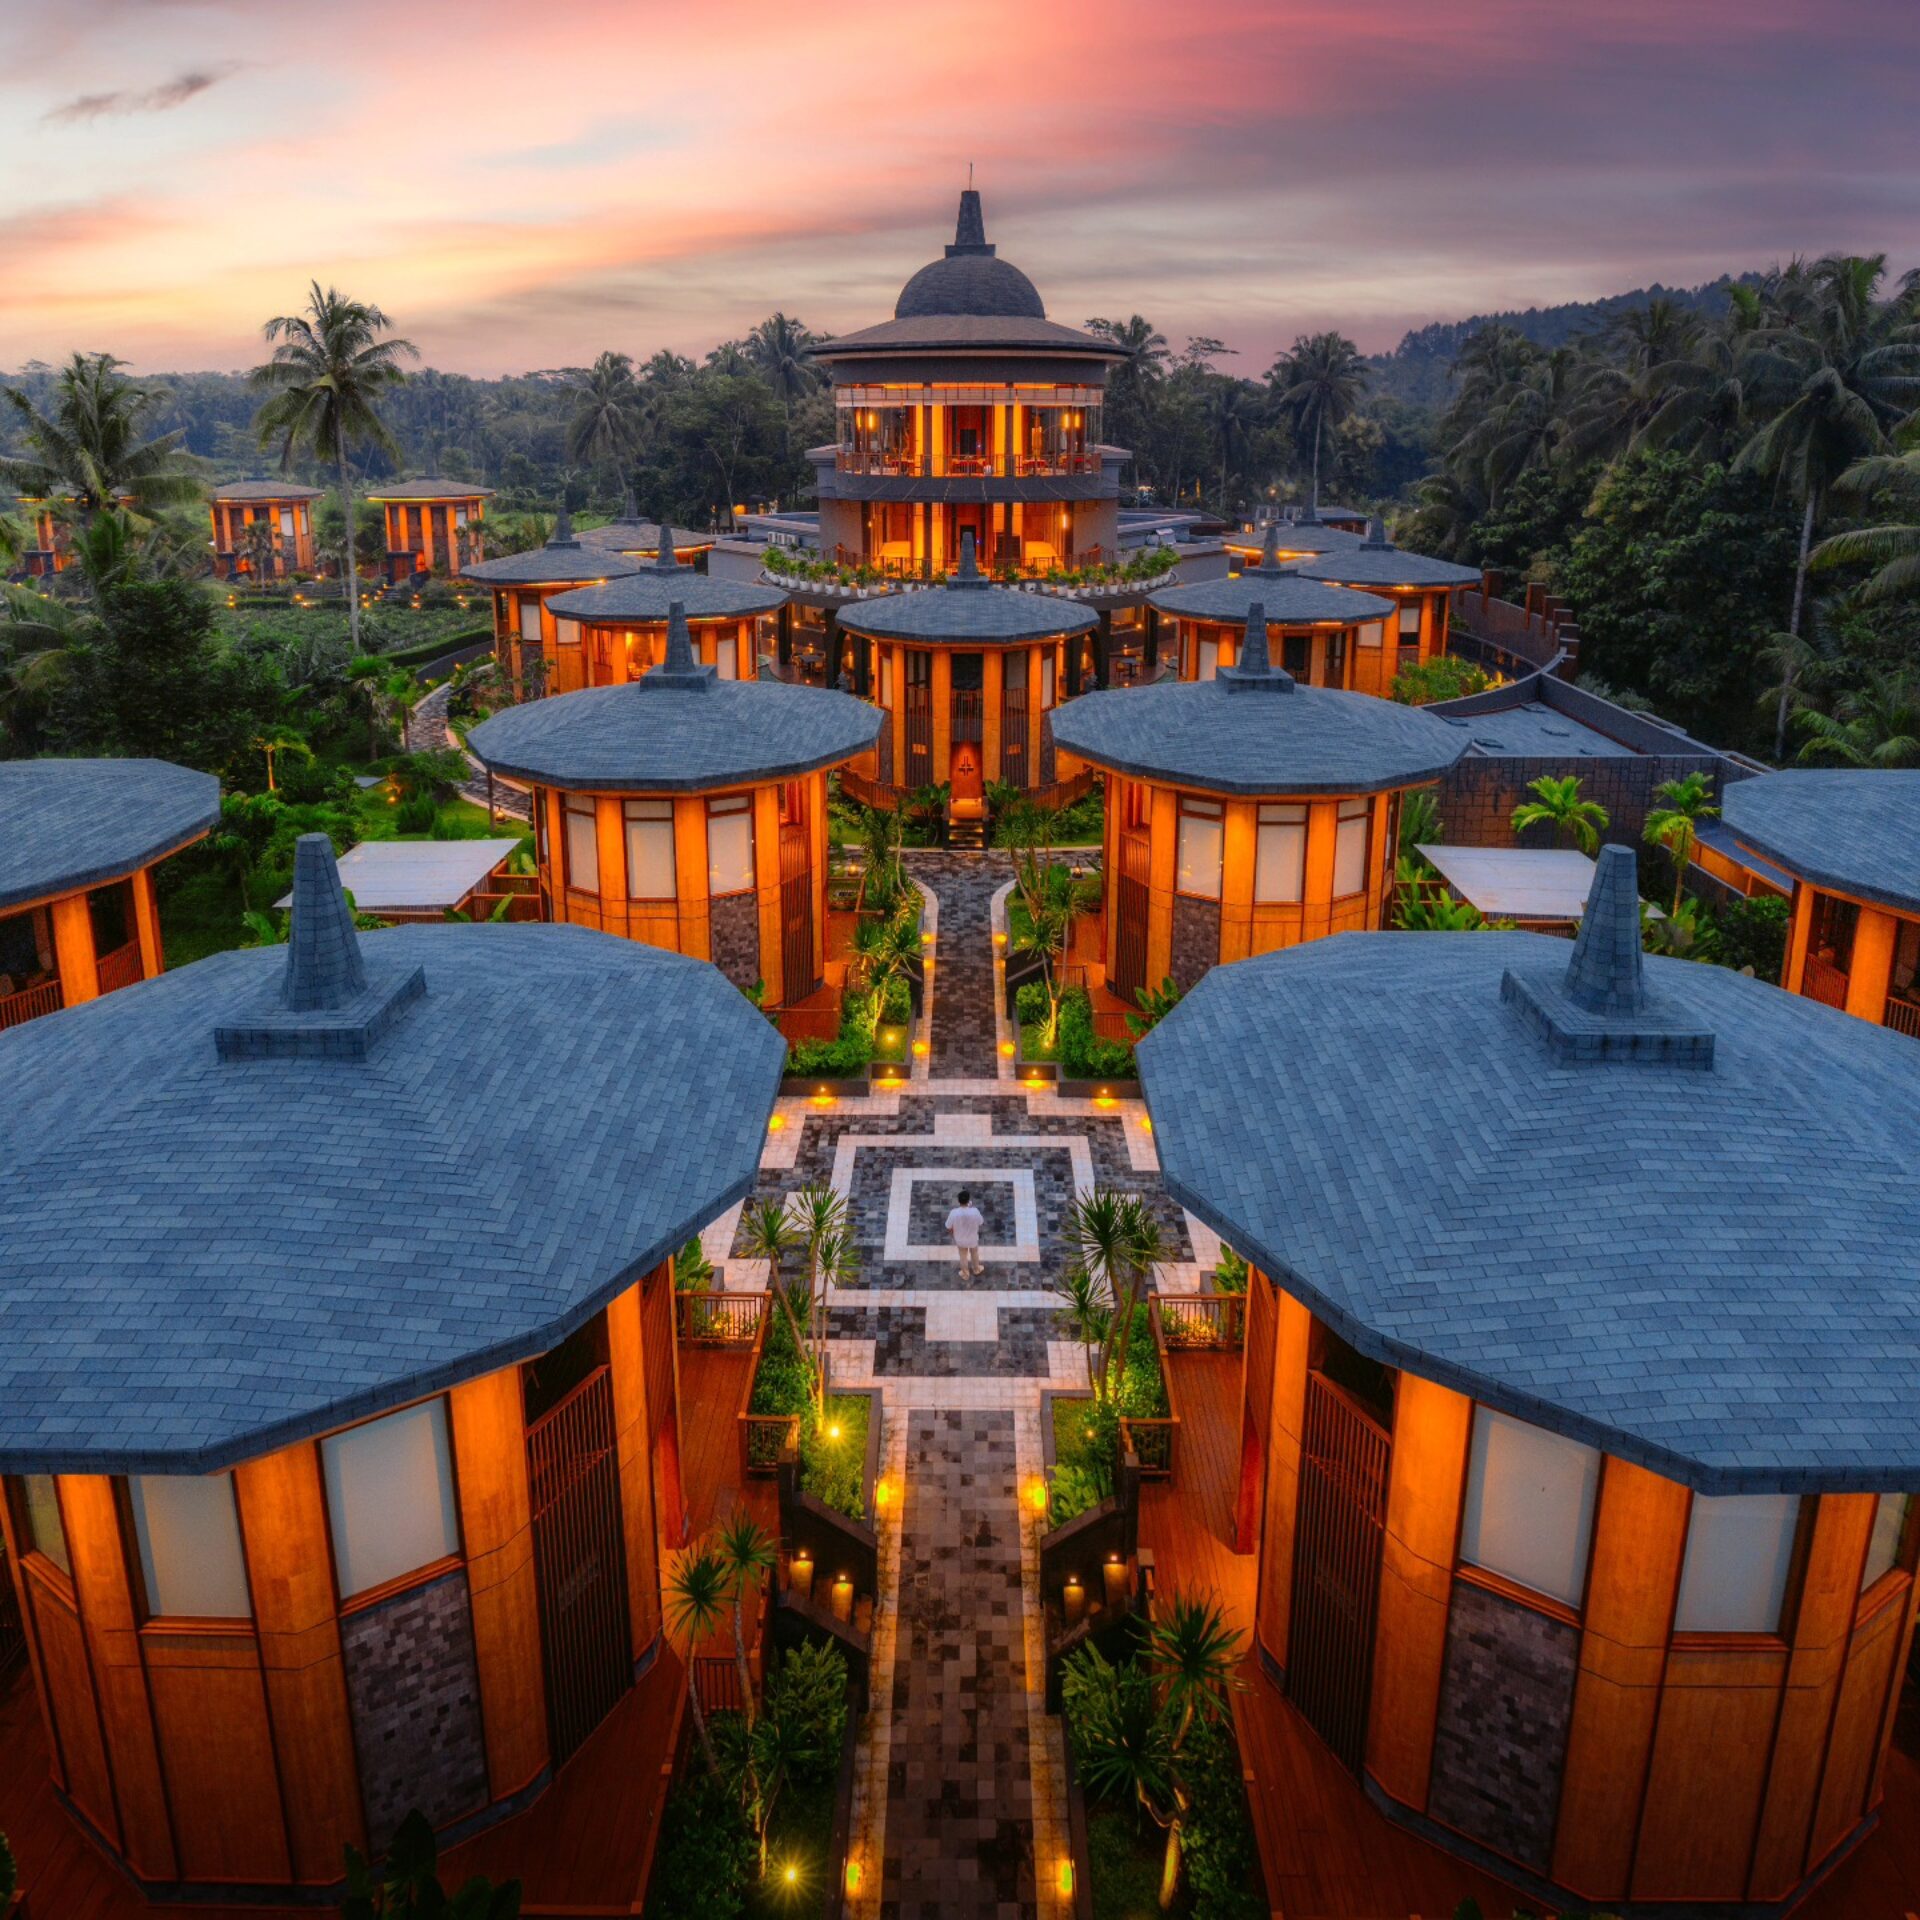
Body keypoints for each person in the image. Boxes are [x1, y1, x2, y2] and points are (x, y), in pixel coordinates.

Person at [945, 1187, 985, 1278]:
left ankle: (965, 1274)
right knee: (974, 1253)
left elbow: (948, 1226)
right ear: (968, 1201)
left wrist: (952, 1233)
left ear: (959, 1201)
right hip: (973, 1239)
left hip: (960, 1239)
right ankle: (976, 1269)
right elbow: (981, 1222)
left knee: (963, 1256)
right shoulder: (975, 1211)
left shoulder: (953, 1213)